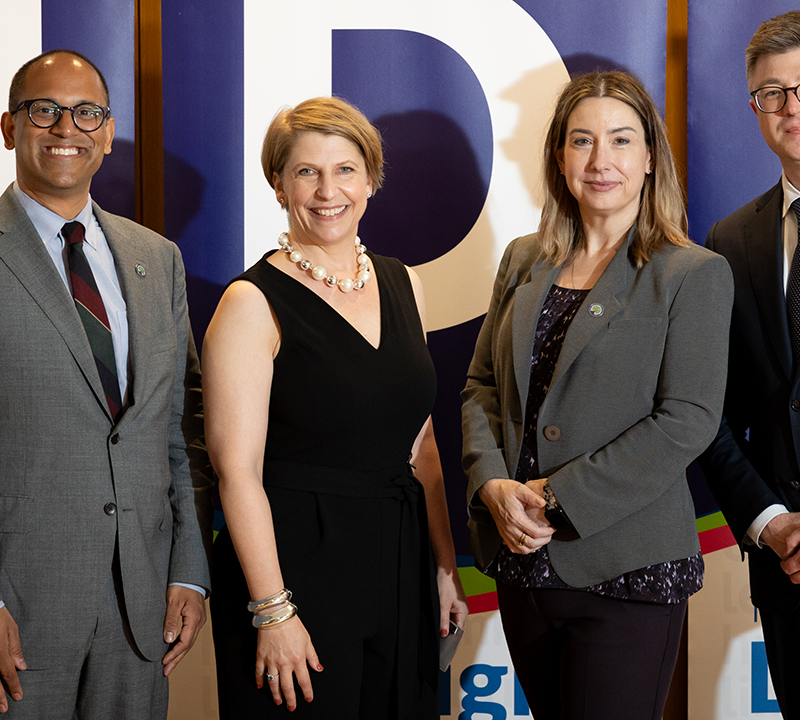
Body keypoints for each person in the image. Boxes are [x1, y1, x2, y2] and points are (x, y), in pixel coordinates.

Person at [461, 71, 733, 720]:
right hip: (521, 564)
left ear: (648, 158)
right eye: (581, 140)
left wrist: (554, 500)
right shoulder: (524, 259)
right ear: (559, 156)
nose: (600, 159)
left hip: (628, 570)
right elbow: (482, 387)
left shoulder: (691, 272)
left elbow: (687, 420)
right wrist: (493, 486)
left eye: (620, 140)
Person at [204, 96, 467, 719]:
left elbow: (420, 441)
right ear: (277, 185)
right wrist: (272, 610)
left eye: (345, 170)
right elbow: (235, 472)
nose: (328, 191)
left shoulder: (405, 283)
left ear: (371, 181)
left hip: (399, 563)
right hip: (294, 568)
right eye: (305, 172)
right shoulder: (249, 302)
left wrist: (443, 568)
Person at [0, 50, 212, 718]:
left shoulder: (158, 259)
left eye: (86, 112)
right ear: (8, 127)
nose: (67, 126)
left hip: (140, 614)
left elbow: (182, 430)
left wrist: (189, 568)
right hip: (20, 613)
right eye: (44, 109)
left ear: (108, 131)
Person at [699, 11, 800, 718]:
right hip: (785, 562)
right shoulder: (729, 239)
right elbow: (708, 409)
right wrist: (769, 521)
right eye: (773, 93)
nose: (791, 108)